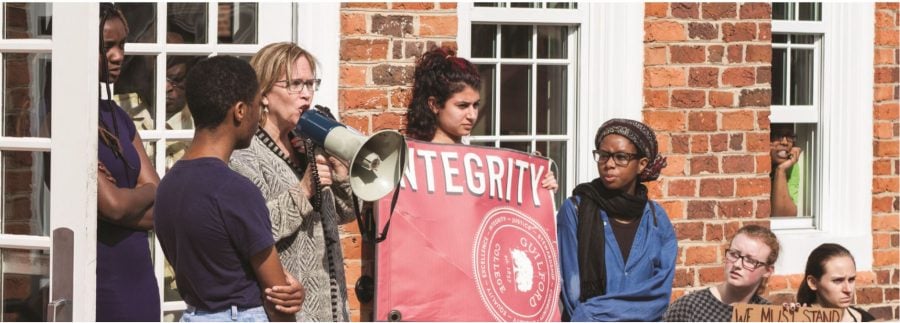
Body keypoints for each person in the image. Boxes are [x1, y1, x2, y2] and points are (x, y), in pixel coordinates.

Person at [155, 55, 302, 322]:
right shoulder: (235, 190)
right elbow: (277, 295)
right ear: (240, 111)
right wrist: (289, 296)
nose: (259, 117)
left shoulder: (167, 185)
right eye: (258, 106)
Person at [229, 42, 356, 321]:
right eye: (295, 84)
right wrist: (303, 191)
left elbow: (343, 214)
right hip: (287, 311)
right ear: (263, 93)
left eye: (311, 84)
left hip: (331, 308)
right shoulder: (246, 155)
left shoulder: (307, 145)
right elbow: (252, 230)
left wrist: (342, 175)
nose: (306, 95)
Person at [556, 118, 675, 321]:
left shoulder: (656, 219)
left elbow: (658, 295)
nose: (609, 164)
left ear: (641, 164)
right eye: (603, 156)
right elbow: (571, 287)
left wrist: (593, 312)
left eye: (621, 157)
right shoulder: (576, 210)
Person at [405, 47, 558, 190]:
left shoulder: (482, 165)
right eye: (462, 106)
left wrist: (539, 188)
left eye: (476, 105)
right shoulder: (408, 163)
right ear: (434, 105)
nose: (472, 115)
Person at [94, 3, 160, 320]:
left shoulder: (118, 116)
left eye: (121, 45)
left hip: (141, 277)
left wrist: (124, 197)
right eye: (107, 46)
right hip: (103, 279)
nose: (118, 55)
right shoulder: (62, 121)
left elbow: (156, 198)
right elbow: (115, 206)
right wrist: (139, 194)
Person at [664, 225, 781, 321]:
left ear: (767, 271)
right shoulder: (690, 307)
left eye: (750, 261)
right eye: (734, 254)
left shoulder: (768, 316)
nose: (737, 264)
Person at [796, 243, 875, 322]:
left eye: (851, 279)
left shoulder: (866, 319)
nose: (848, 290)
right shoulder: (796, 319)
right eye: (838, 281)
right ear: (813, 283)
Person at [770, 123, 802, 217]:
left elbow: (784, 216)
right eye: (777, 136)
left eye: (789, 137)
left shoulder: (791, 166)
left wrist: (781, 170)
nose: (784, 142)